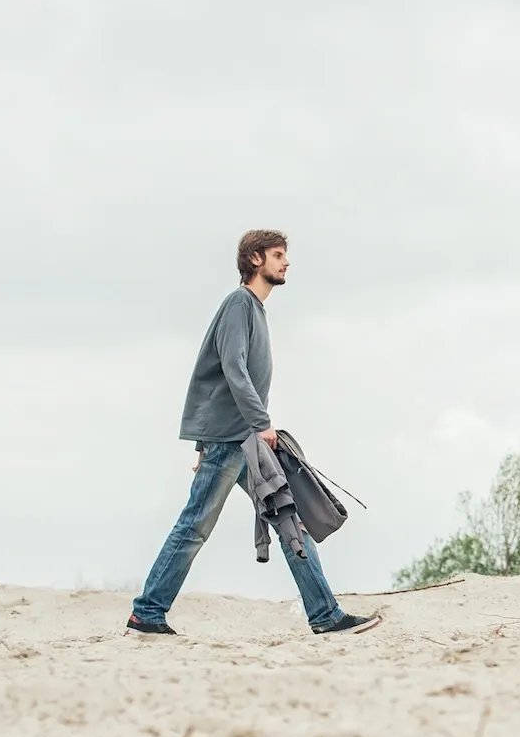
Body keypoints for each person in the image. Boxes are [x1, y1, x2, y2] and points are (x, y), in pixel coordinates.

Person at [127, 230, 379, 637]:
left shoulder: (255, 310)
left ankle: (325, 614)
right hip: (235, 440)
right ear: (255, 259)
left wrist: (228, 433)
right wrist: (255, 426)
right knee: (194, 526)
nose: (286, 262)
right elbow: (232, 368)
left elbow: (227, 381)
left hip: (242, 438)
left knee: (289, 522)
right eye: (278, 255)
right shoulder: (239, 304)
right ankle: (148, 613)